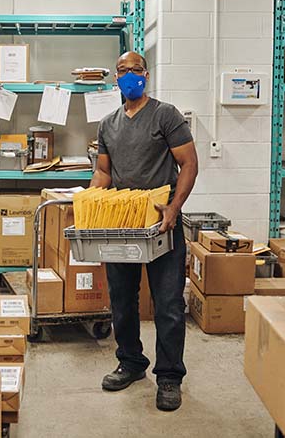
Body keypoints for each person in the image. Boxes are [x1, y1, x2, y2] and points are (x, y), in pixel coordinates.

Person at [90, 50, 198, 412]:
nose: (128, 75)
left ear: (146, 75)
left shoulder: (165, 115)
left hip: (160, 224)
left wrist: (174, 208)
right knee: (121, 300)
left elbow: (189, 164)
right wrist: (90, 206)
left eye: (134, 69)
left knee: (168, 303)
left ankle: (169, 376)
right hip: (122, 225)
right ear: (115, 78)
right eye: (121, 71)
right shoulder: (107, 124)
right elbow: (103, 174)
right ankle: (131, 363)